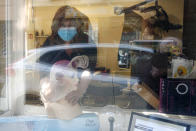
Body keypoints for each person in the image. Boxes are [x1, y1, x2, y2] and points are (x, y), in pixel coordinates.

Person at [39, 5, 97, 107]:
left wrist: (80, 91)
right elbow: (43, 70)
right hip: (55, 99)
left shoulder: (86, 42)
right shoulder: (50, 43)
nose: (66, 29)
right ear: (57, 26)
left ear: (77, 26)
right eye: (63, 26)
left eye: (70, 26)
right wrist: (45, 88)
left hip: (78, 99)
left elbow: (89, 70)